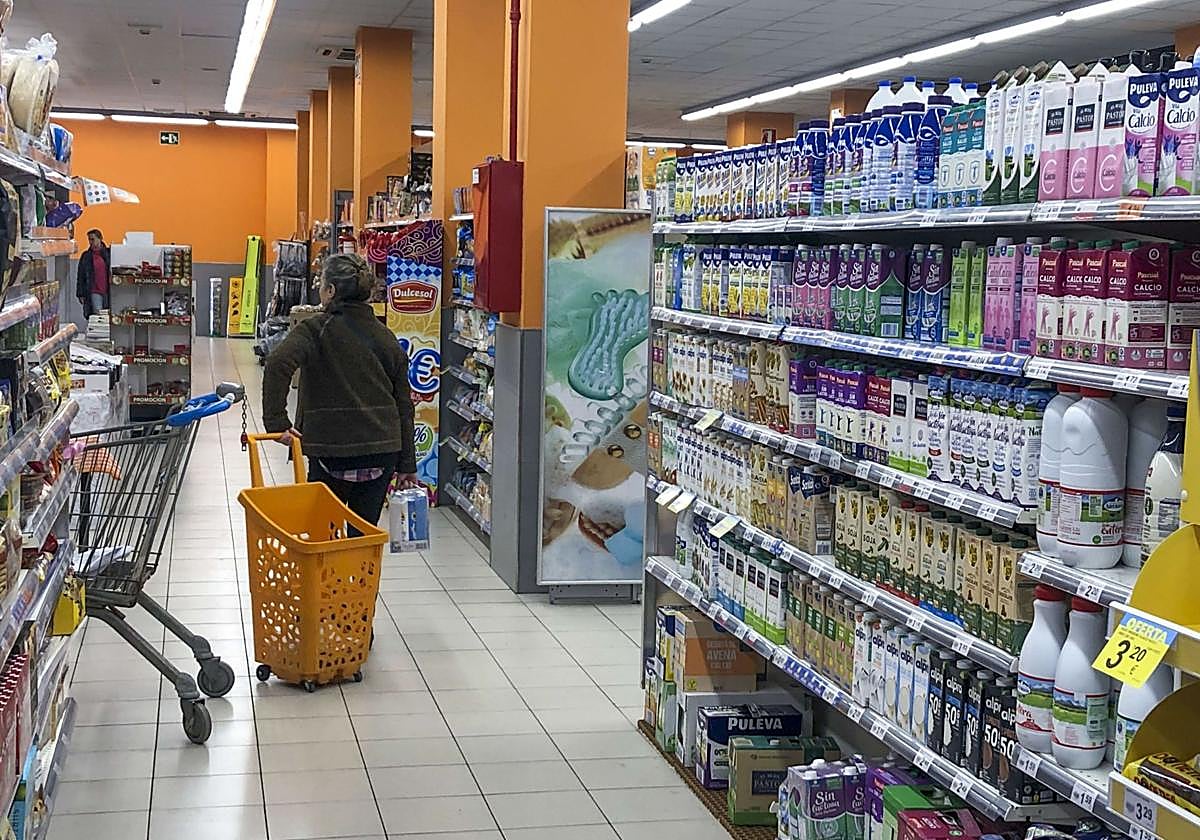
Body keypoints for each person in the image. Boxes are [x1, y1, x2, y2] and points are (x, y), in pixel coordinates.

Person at [262, 253, 420, 525]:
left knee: (325, 533)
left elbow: (277, 363)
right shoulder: (386, 336)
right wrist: (407, 464)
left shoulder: (314, 329)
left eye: (321, 284)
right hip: (381, 449)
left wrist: (277, 423)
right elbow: (403, 404)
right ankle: (359, 568)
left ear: (331, 291)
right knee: (363, 536)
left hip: (330, 449)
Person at [75, 229, 111, 317]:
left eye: (92, 239)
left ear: (100, 239)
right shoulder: (86, 256)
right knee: (98, 315)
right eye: (89, 240)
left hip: (108, 290)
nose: (90, 242)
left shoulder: (109, 253)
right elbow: (81, 276)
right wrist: (80, 293)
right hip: (94, 290)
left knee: (108, 315)